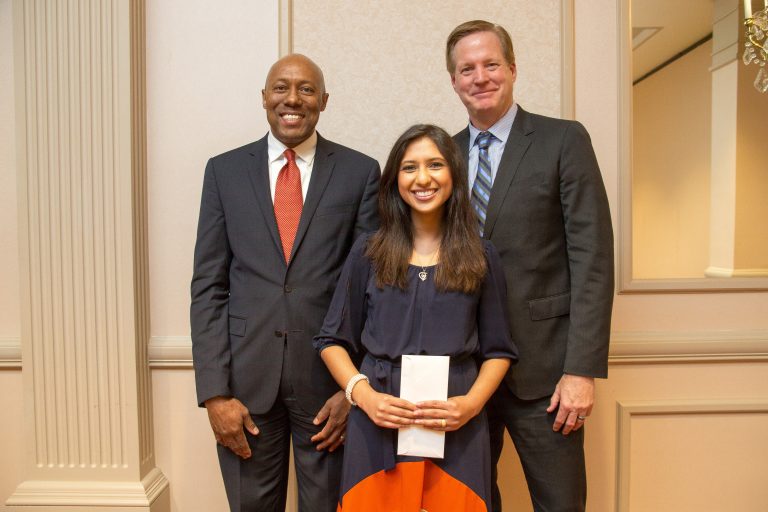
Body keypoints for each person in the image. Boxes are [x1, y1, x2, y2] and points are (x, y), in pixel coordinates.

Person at [190, 54, 380, 512]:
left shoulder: (360, 172)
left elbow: (373, 290)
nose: (292, 99)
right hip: (244, 387)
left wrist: (352, 386)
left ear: (324, 100)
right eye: (281, 88)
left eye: (306, 89)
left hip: (328, 386)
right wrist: (215, 394)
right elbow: (208, 286)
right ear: (264, 97)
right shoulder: (224, 171)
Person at [445, 20, 615, 512]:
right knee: (470, 503)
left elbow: (594, 260)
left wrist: (581, 370)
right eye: (467, 69)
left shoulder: (563, 141)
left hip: (544, 372)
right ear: (453, 81)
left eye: (491, 64)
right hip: (464, 372)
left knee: (559, 503)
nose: (480, 77)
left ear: (513, 69)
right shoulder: (444, 157)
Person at [314, 124, 519, 512]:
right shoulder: (367, 253)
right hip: (377, 428)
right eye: (410, 168)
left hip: (457, 428)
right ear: (395, 181)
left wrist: (471, 406)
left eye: (435, 165)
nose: (423, 178)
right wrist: (364, 397)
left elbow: (499, 350)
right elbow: (331, 341)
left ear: (454, 176)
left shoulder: (481, 255)